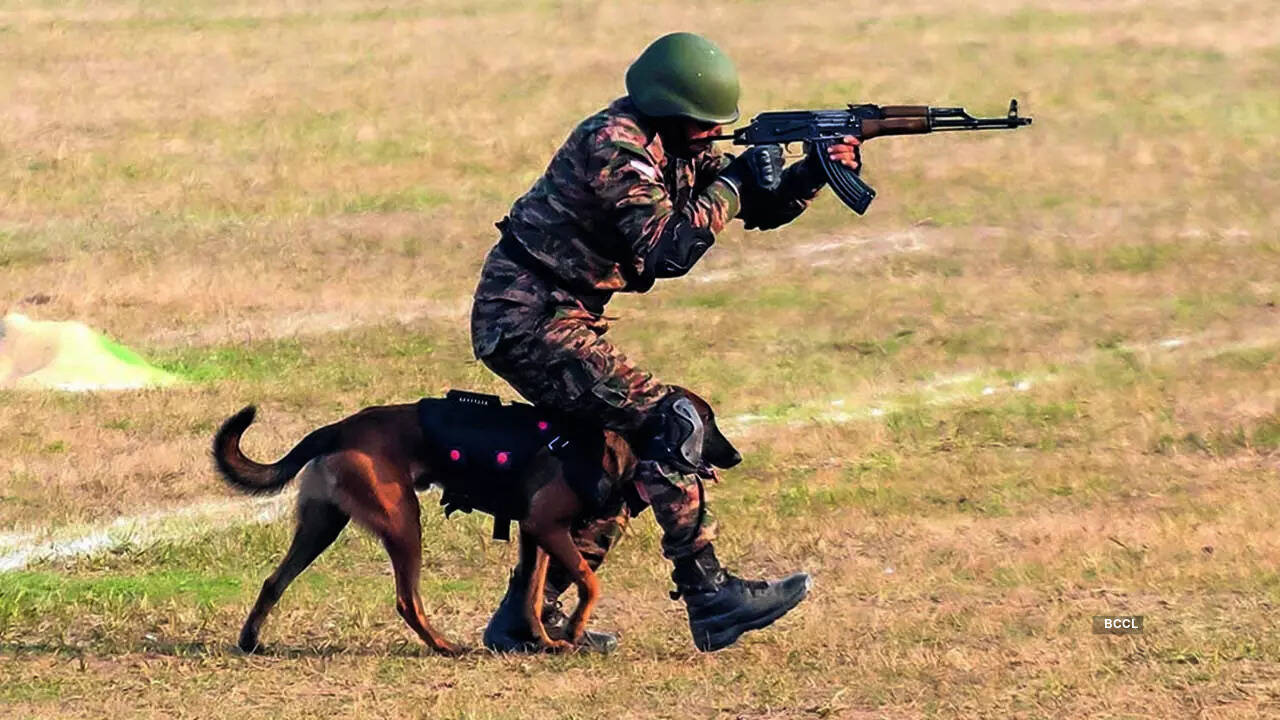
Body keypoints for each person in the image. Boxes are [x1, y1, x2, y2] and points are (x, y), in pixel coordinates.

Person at [469, 32, 861, 653]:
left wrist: (812, 170)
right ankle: (710, 595)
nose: (712, 136)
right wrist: (730, 184)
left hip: (561, 312)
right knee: (671, 423)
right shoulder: (617, 146)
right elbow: (667, 247)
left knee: (619, 460)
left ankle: (525, 618)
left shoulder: (673, 142)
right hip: (527, 315)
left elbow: (753, 209)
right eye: (703, 126)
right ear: (670, 113)